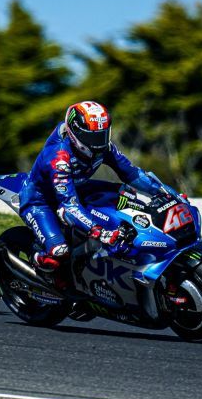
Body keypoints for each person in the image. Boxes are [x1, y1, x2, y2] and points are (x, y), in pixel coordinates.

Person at [21, 101, 177, 273]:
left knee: (127, 195)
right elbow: (69, 207)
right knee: (59, 252)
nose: (99, 143)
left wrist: (162, 191)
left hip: (78, 188)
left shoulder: (104, 147)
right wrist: (99, 231)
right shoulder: (59, 159)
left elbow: (131, 173)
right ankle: (38, 258)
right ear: (76, 133)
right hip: (41, 201)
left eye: (103, 135)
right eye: (93, 137)